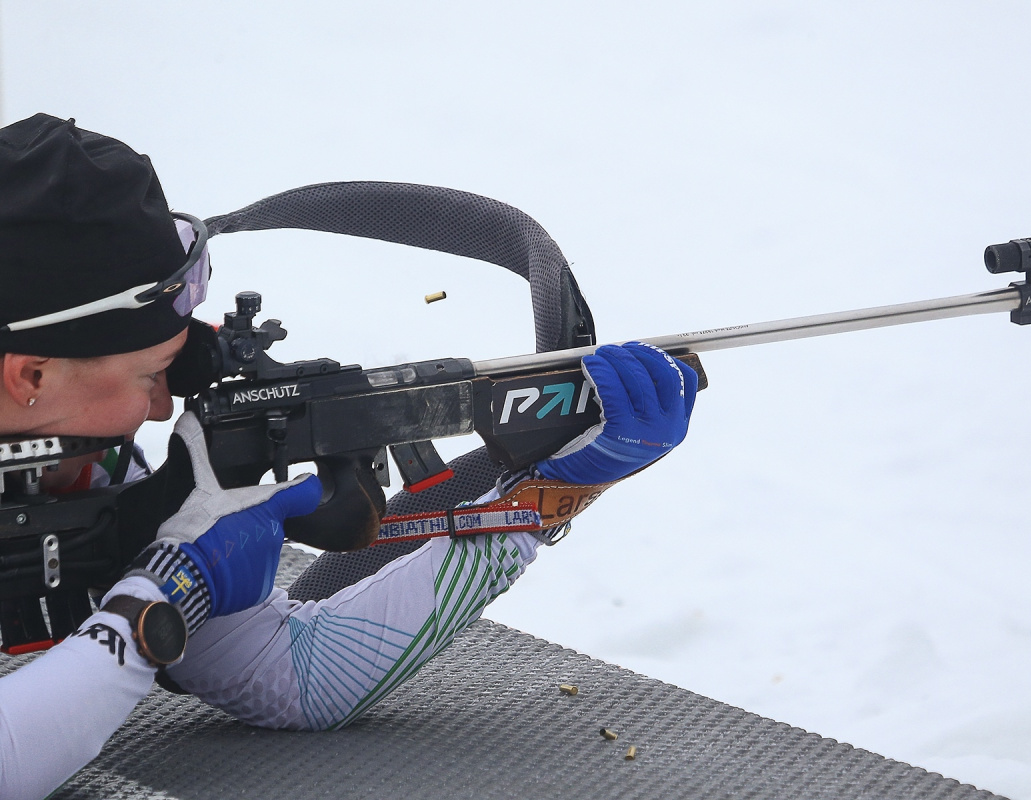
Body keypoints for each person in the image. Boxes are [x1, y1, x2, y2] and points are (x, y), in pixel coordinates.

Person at [0, 114, 698, 799]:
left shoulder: (76, 475)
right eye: (151, 376)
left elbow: (305, 676)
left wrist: (546, 492)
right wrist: (165, 596)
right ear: (30, 376)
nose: (159, 409)